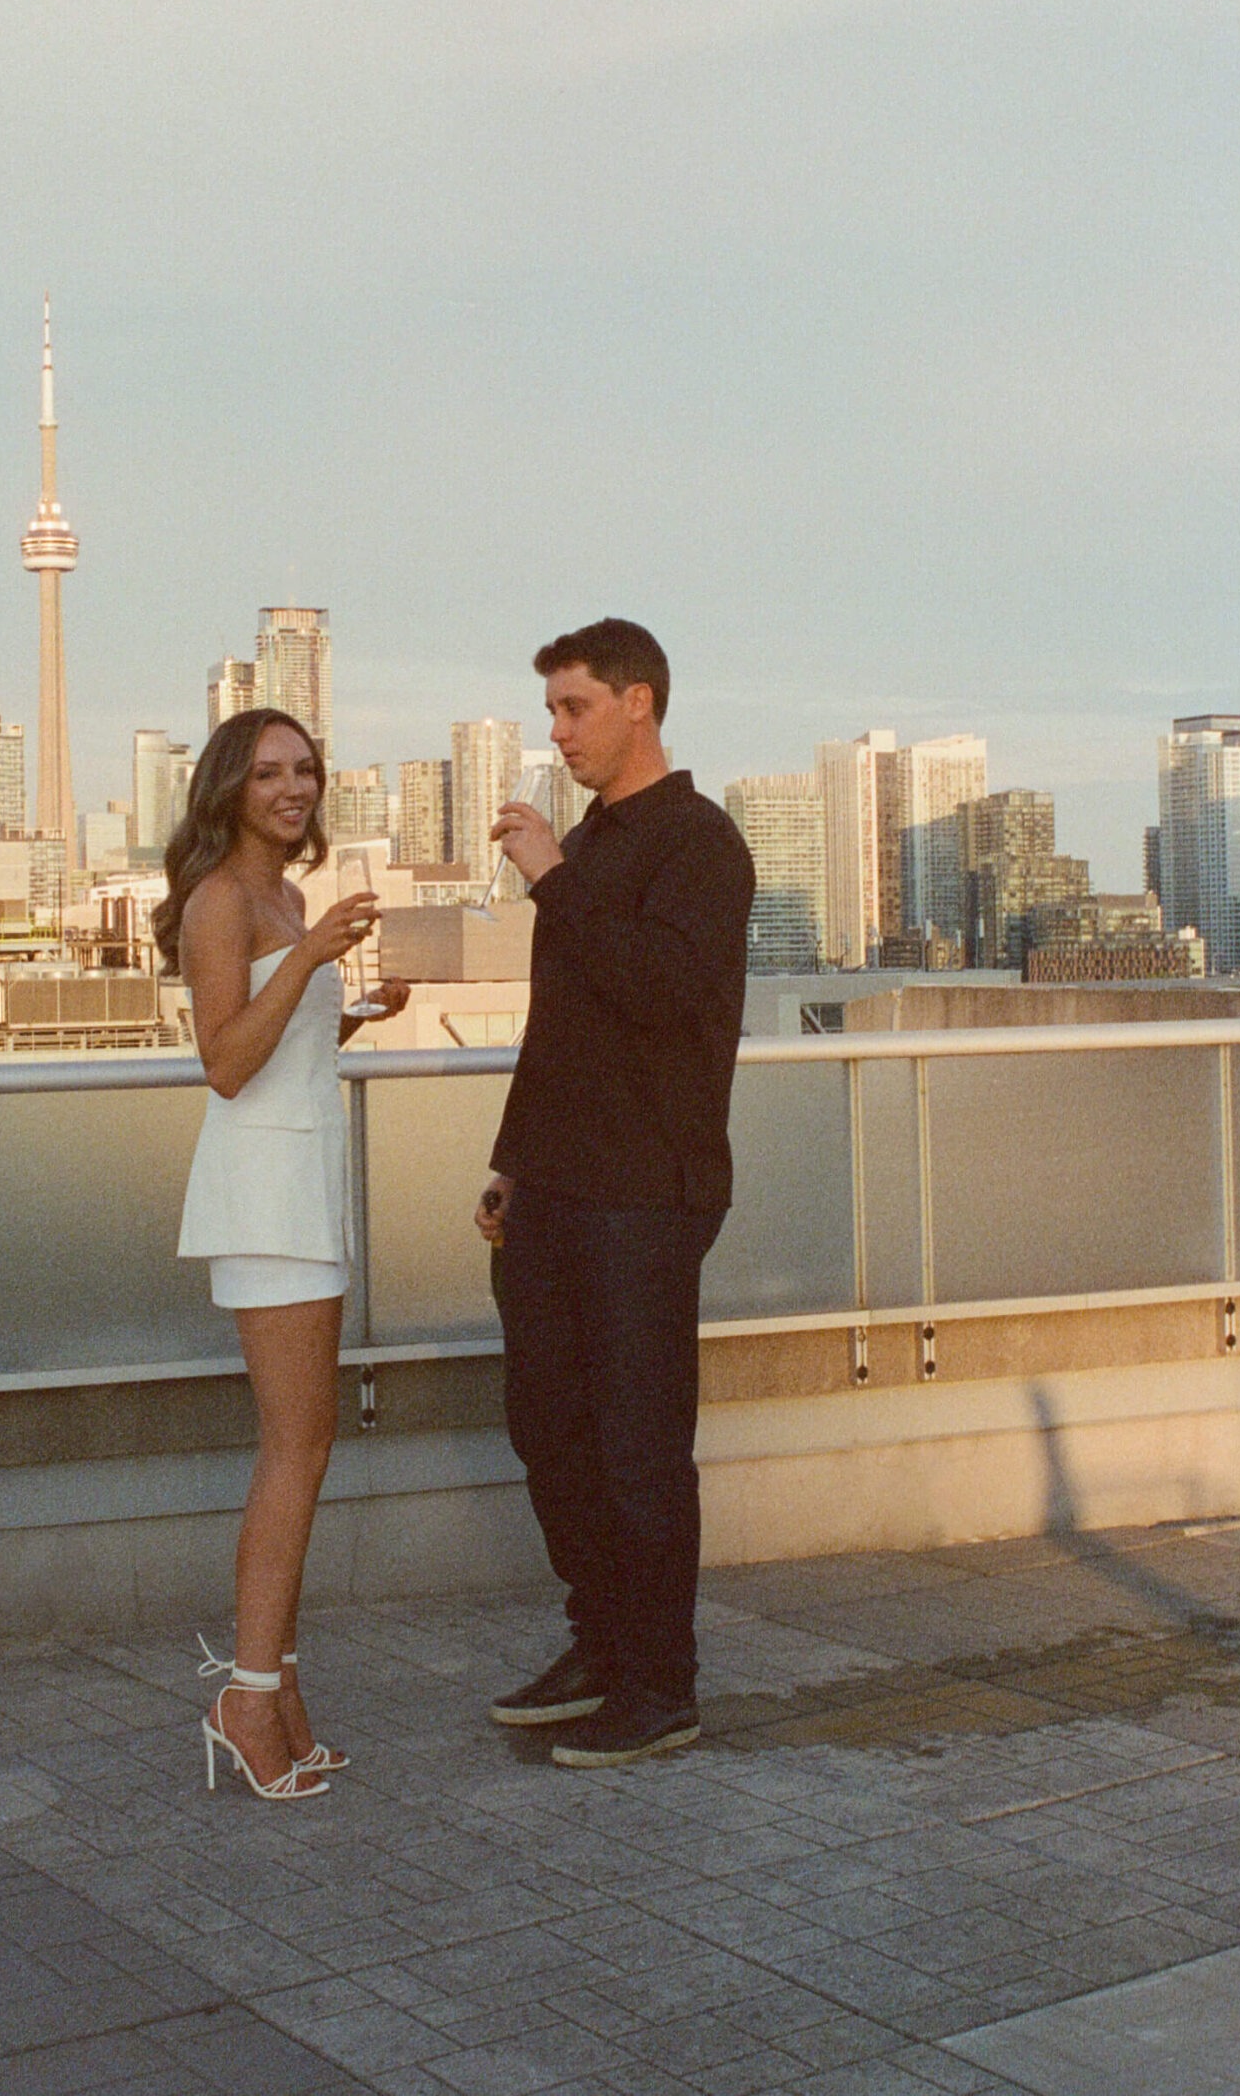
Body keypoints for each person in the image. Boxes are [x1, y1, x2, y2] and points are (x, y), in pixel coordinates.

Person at [473, 619, 755, 1767]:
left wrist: (550, 876)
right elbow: (566, 1030)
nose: (558, 730)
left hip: (647, 1190)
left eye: (573, 706)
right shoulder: (590, 845)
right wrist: (509, 1159)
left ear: (638, 702)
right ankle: (600, 1643)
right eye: (550, 709)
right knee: (549, 1426)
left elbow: (659, 990)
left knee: (639, 1443)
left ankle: (659, 1683)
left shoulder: (699, 842)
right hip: (554, 1183)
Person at [158, 708, 408, 1800]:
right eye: (267, 771)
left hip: (301, 1187)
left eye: (305, 768)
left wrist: (349, 1012)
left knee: (303, 1448)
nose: (292, 787)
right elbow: (221, 1062)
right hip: (264, 1198)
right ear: (228, 787)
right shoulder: (221, 901)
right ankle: (247, 1699)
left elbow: (279, 1047)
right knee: (294, 1449)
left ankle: (279, 1688)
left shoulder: (286, 897)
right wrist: (308, 957)